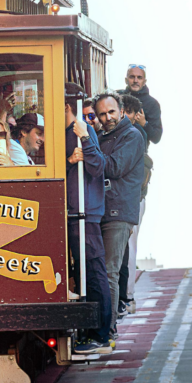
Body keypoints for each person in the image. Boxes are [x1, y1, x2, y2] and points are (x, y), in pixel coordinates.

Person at [94, 93, 145, 336]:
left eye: (111, 112)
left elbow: (113, 167)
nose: (107, 118)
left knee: (109, 270)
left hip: (118, 211)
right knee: (104, 271)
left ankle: (109, 328)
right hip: (103, 210)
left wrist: (89, 151)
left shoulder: (132, 135)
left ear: (122, 110)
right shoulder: (103, 135)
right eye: (102, 114)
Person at [64, 102, 112, 354]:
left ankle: (101, 334)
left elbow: (97, 166)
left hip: (87, 213)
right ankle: (92, 331)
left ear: (66, 106)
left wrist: (84, 136)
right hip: (73, 212)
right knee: (83, 272)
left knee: (94, 271)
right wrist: (70, 161)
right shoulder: (62, 132)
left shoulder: (80, 129)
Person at [115, 95, 154, 315]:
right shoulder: (135, 133)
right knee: (127, 247)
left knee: (129, 247)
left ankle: (128, 296)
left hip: (133, 199)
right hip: (133, 198)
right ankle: (126, 296)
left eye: (126, 113)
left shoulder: (135, 134)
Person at [117, 65, 163, 145]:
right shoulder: (116, 97)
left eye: (139, 77)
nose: (135, 80)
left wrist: (144, 124)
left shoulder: (152, 104)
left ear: (144, 82)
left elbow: (156, 137)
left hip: (138, 151)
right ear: (126, 80)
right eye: (132, 77)